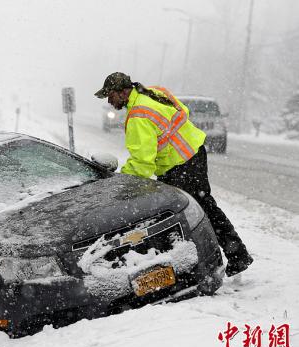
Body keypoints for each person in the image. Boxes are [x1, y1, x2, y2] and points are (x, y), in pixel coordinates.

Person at [94, 72, 253, 276]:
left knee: (191, 211)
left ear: (123, 92)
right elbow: (182, 111)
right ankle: (230, 256)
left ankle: (228, 258)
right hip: (193, 153)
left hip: (180, 165)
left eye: (110, 95)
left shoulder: (138, 116)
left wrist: (121, 183)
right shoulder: (154, 92)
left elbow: (142, 163)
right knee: (201, 207)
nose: (109, 100)